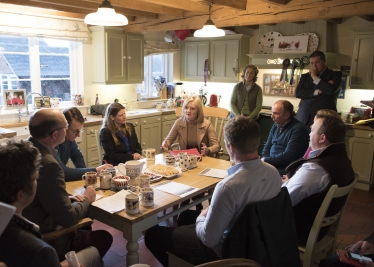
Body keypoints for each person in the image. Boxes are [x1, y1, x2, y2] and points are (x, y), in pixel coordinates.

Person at [145, 116, 281, 266]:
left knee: (152, 235)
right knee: (184, 216)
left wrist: (202, 216)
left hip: (227, 250)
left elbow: (208, 239)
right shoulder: (273, 174)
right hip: (254, 241)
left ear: (231, 146)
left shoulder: (228, 187)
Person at [23, 108, 113, 261]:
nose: (69, 131)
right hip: (46, 240)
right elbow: (68, 218)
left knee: (85, 225)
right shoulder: (49, 164)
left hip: (27, 227)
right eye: (66, 127)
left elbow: (42, 195)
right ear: (55, 135)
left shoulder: (25, 149)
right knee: (104, 238)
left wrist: (69, 199)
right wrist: (86, 198)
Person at [0, 138, 101, 267]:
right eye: (35, 179)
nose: (37, 182)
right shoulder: (39, 251)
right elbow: (67, 218)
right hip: (53, 242)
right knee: (94, 251)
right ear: (21, 195)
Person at [282, 109, 354, 246]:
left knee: (249, 218)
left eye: (313, 129)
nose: (309, 132)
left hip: (300, 230)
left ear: (322, 138)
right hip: (321, 229)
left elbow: (283, 201)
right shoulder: (343, 159)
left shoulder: (315, 169)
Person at [57, 107, 112, 181]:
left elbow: (77, 156)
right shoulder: (53, 143)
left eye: (80, 130)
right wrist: (94, 171)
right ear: (64, 128)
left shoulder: (69, 139)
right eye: (74, 131)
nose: (78, 135)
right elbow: (62, 172)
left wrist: (86, 177)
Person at [261, 100, 310, 175]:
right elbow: (267, 146)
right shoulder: (275, 125)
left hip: (285, 168)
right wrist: (265, 160)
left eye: (275, 113)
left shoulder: (299, 129)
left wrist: (266, 160)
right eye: (272, 112)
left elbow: (289, 155)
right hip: (271, 164)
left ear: (286, 115)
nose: (271, 116)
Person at [295, 50, 342, 127]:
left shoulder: (335, 75)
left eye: (317, 62)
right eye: (312, 63)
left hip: (323, 120)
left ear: (324, 61)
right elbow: (298, 93)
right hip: (303, 118)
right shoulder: (305, 76)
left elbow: (330, 90)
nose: (314, 66)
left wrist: (314, 77)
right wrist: (317, 91)